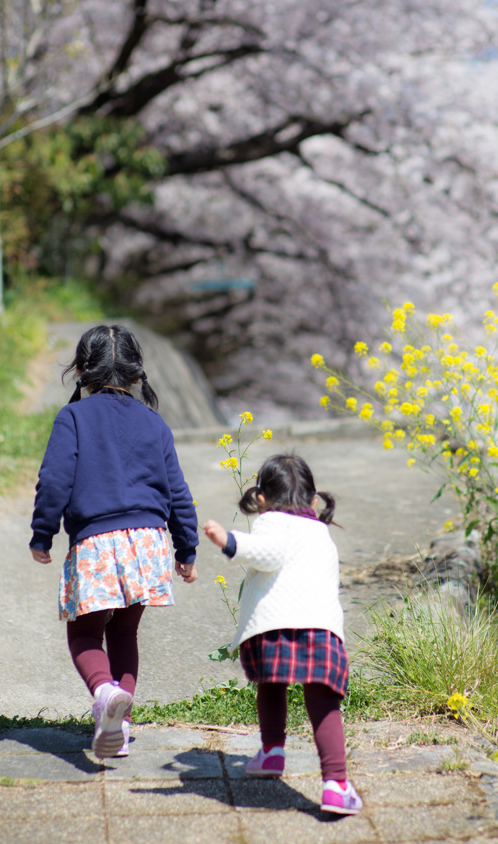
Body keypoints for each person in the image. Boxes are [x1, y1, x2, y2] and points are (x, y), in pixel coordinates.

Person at [29, 324, 198, 759]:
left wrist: (42, 532)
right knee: (124, 630)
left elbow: (54, 481)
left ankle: (104, 693)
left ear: (82, 370)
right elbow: (177, 491)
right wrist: (187, 548)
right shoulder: (154, 422)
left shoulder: (73, 418)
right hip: (148, 543)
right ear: (136, 372)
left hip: (97, 543)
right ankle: (118, 728)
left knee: (85, 635)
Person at [203, 453, 363, 816]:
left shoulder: (271, 522)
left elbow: (268, 554)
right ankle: (336, 784)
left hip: (274, 627)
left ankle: (273, 751)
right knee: (324, 705)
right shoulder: (321, 533)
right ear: (312, 499)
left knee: (271, 684)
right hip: (321, 630)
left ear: (262, 499)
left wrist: (230, 541)